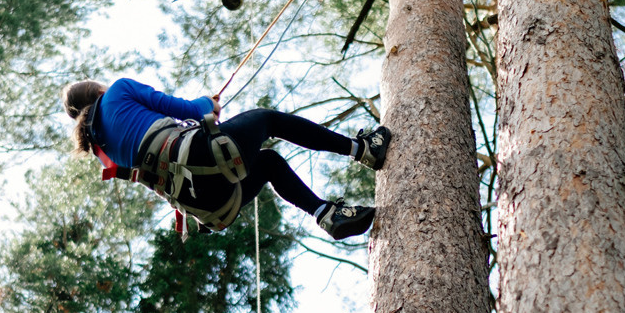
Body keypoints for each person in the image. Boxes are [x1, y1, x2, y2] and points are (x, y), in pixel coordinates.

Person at [62, 78, 391, 239]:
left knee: (268, 164)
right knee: (267, 120)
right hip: (202, 158)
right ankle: (362, 149)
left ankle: (327, 214)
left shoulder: (103, 155)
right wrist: (207, 103)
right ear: (98, 91)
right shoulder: (117, 92)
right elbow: (190, 110)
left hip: (208, 203)